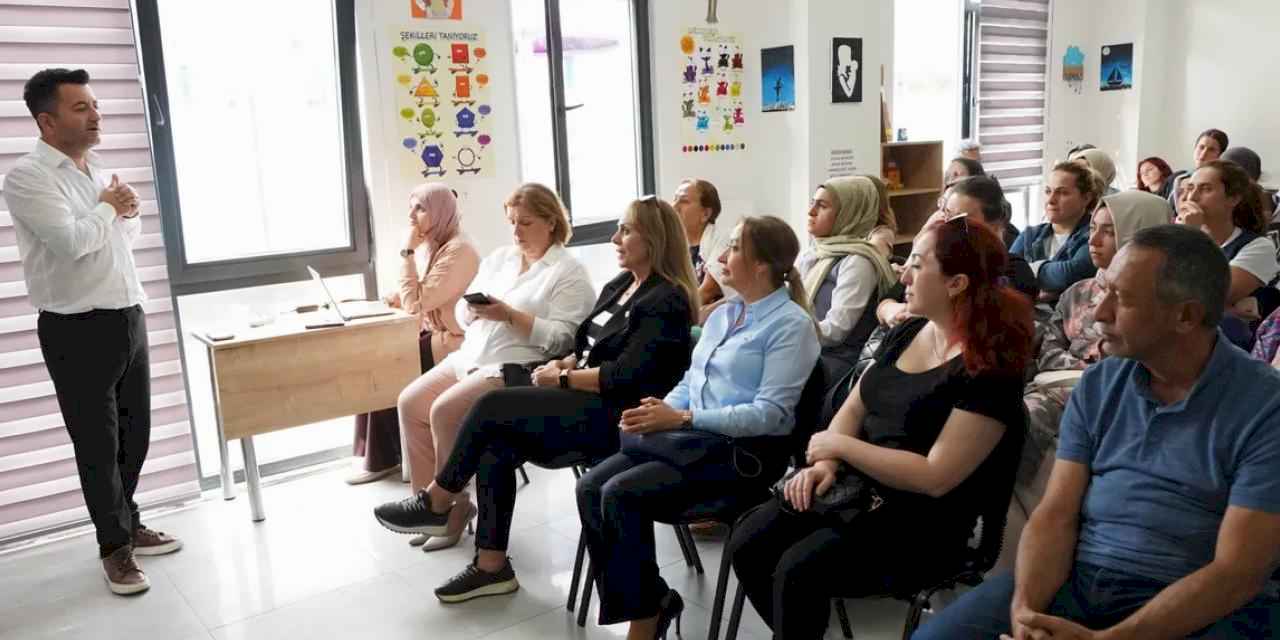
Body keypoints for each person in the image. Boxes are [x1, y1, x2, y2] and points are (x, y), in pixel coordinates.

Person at [915, 225, 1280, 639]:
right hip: (1083, 577)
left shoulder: (1264, 406)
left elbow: (1238, 572)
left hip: (1194, 598)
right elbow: (1055, 516)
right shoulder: (1100, 383)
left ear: (1186, 316)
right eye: (1104, 290)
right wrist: (1026, 612)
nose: (1099, 313)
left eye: (1122, 299)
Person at [729, 216, 1033, 640]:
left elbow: (935, 476)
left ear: (956, 283)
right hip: (859, 491)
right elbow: (856, 404)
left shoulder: (990, 369)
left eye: (917, 264)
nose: (902, 274)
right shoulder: (909, 330)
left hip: (925, 523)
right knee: (748, 543)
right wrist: (826, 464)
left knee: (799, 569)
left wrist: (840, 448)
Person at [397, 197, 698, 602]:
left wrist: (565, 377)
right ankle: (491, 566)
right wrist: (567, 361)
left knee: (491, 406)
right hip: (585, 397)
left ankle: (439, 500)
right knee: (495, 446)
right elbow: (586, 344)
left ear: (655, 239)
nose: (614, 238)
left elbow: (628, 377)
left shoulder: (666, 299)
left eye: (626, 231)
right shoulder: (621, 284)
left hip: (619, 416)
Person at [576, 215, 821, 640]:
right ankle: (651, 601)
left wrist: (684, 418)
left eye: (734, 248)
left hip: (742, 455)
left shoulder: (791, 325)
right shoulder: (724, 315)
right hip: (692, 443)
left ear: (761, 265)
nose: (721, 257)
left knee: (619, 494)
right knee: (589, 488)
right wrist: (659, 410)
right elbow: (692, 382)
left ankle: (644, 620)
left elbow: (772, 415)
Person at [2, 69, 181, 595]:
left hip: (127, 315)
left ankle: (129, 522)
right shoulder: (28, 177)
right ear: (47, 121)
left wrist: (126, 212)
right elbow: (71, 243)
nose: (96, 115)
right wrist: (109, 207)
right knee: (98, 447)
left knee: (135, 435)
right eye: (81, 107)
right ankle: (114, 549)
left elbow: (120, 237)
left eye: (95, 104)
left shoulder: (97, 169)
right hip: (75, 328)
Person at [372, 183, 595, 551]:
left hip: (515, 366)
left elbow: (563, 340)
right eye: (512, 222)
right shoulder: (501, 259)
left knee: (443, 411)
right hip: (471, 355)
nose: (516, 231)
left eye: (525, 223)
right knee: (410, 403)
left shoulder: (568, 272)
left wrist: (509, 315)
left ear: (551, 223)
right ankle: (430, 511)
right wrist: (472, 310)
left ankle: (449, 509)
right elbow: (462, 310)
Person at [1019, 191, 1170, 493]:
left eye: (1109, 231)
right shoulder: (1077, 292)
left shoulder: (1162, 303)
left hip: (1111, 393)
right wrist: (1087, 363)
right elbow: (1049, 351)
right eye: (1092, 228)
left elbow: (1139, 366)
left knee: (1028, 418)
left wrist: (1088, 369)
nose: (1094, 240)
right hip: (1058, 382)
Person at [347, 184, 479, 486]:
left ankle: (384, 458)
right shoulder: (437, 246)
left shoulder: (460, 250)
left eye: (420, 208)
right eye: (412, 206)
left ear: (441, 212)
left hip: (454, 342)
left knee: (388, 364)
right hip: (434, 334)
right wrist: (398, 296)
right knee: (377, 358)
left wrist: (406, 252)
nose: (411, 215)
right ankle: (381, 455)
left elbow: (417, 303)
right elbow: (421, 293)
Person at [876, 177, 1037, 327]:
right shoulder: (936, 262)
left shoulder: (1013, 270)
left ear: (994, 225)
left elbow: (984, 323)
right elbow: (886, 301)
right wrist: (891, 310)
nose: (947, 226)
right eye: (947, 215)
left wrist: (918, 314)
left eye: (959, 219)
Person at [799, 176, 898, 384]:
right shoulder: (817, 251)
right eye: (812, 203)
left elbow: (836, 330)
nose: (811, 212)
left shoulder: (858, 261)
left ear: (848, 214)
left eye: (822, 206)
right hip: (808, 347)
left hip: (834, 360)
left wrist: (787, 331)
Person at [1175, 160, 1276, 320]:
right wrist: (1230, 309)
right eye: (1190, 188)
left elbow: (1213, 296)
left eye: (1206, 189)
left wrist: (1190, 236)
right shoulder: (1177, 235)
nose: (1192, 197)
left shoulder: (1259, 246)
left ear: (1233, 199)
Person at [1011, 162, 1103, 303]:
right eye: (1048, 191)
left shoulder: (1095, 235)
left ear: (1086, 198)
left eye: (1062, 193)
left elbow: (1069, 274)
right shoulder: (1030, 235)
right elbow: (1006, 274)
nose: (1051, 200)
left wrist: (1029, 270)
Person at [672, 178, 735, 320]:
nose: (674, 206)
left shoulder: (723, 238)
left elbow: (708, 290)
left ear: (705, 214)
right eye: (674, 199)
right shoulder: (676, 246)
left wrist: (675, 318)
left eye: (684, 201)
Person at [1167, 128, 1230, 209]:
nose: (1203, 154)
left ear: (1220, 155)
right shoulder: (1178, 179)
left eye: (1211, 150)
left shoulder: (1221, 181)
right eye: (1201, 147)